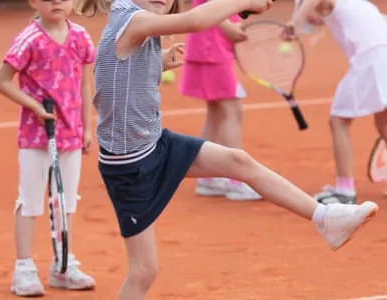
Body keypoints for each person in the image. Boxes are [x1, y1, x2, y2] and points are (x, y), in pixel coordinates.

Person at [78, 0, 379, 298]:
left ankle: (326, 219)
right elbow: (196, 20)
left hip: (155, 143)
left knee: (238, 160)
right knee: (144, 271)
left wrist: (158, 62)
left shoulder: (133, 24)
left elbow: (111, 72)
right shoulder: (132, 20)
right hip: (130, 166)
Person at [0, 0, 96, 296]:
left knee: (65, 203)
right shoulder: (29, 39)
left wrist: (86, 128)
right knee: (30, 201)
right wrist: (34, 106)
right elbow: (0, 81)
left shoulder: (81, 37)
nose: (57, 2)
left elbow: (85, 85)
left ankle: (63, 267)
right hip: (36, 136)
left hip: (71, 134)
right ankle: (23, 269)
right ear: (34, 2)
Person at [289, 0, 387, 204]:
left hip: (372, 59)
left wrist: (294, 22)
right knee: (384, 120)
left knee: (339, 121)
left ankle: (345, 191)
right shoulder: (356, 5)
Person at [179, 3, 261, 201]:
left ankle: (207, 177)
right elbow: (204, 5)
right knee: (232, 111)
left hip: (211, 48)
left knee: (216, 112)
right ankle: (237, 181)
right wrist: (227, 26)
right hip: (211, 49)